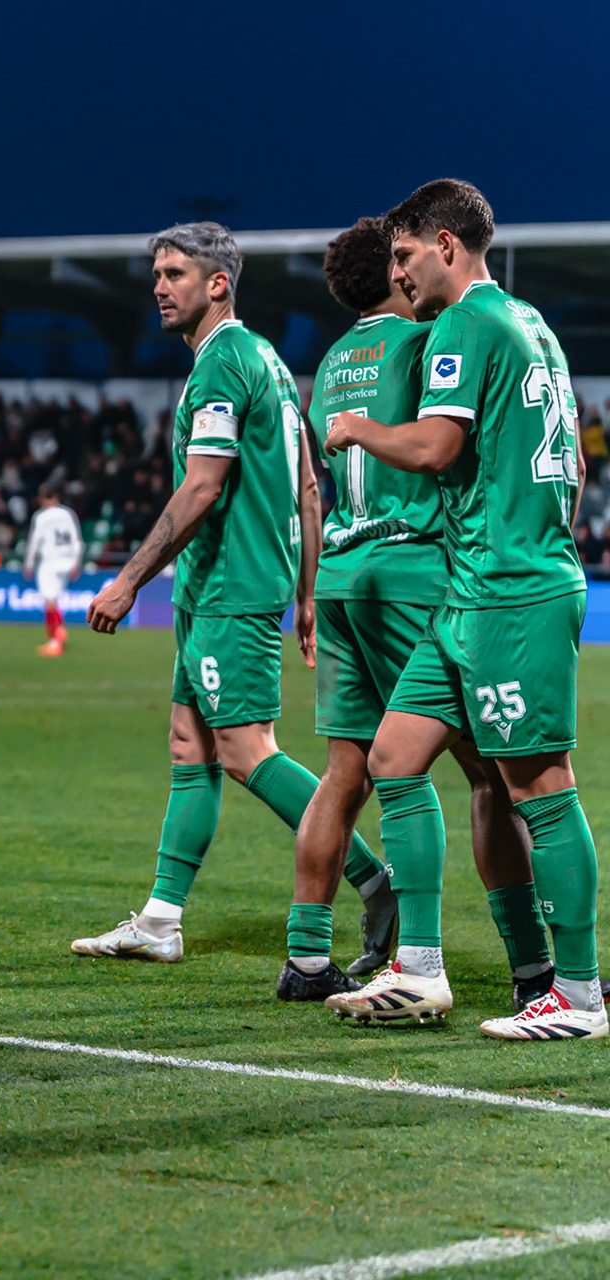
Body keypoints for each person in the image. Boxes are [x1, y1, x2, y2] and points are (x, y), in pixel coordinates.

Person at [321, 180, 602, 1040]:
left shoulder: (465, 324)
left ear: (447, 245)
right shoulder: (532, 325)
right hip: (475, 586)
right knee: (396, 757)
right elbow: (577, 473)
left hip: (510, 592)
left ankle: (582, 996)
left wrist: (359, 429)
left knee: (538, 785)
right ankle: (421, 974)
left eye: (405, 255)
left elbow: (436, 446)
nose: (397, 274)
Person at [72, 222, 389, 963]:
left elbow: (204, 486)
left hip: (230, 588)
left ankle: (378, 882)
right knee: (191, 747)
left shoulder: (221, 366)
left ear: (219, 283)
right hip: (222, 587)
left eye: (176, 273)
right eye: (157, 272)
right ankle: (158, 923)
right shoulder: (267, 361)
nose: (160, 286)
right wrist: (306, 593)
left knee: (247, 752)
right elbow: (310, 485)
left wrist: (125, 580)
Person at [281, 217, 544, 1005]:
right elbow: (442, 448)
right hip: (413, 569)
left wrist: (308, 589)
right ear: (397, 277)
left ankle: (303, 957)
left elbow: (316, 484)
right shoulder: (426, 343)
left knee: (345, 770)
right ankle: (531, 963)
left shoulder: (329, 365)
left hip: (341, 574)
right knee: (491, 773)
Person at [20, 485, 81, 657]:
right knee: (54, 599)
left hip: (49, 561)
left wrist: (29, 564)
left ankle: (56, 638)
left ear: (42, 499)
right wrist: (76, 562)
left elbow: (34, 541)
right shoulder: (68, 514)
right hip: (66, 561)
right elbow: (76, 539)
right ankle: (58, 634)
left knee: (49, 601)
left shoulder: (41, 516)